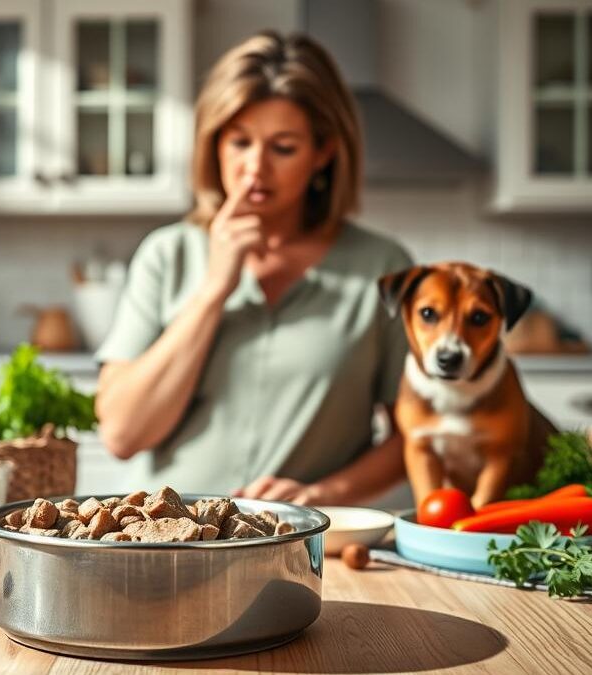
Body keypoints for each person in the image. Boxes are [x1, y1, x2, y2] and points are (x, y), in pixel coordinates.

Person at [94, 31, 413, 505]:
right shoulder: (167, 255)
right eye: (239, 142)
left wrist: (322, 494)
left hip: (303, 546)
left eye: (283, 147)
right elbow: (122, 434)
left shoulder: (384, 268)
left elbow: (419, 435)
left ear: (323, 152)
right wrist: (212, 292)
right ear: (214, 143)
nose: (255, 168)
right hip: (164, 545)